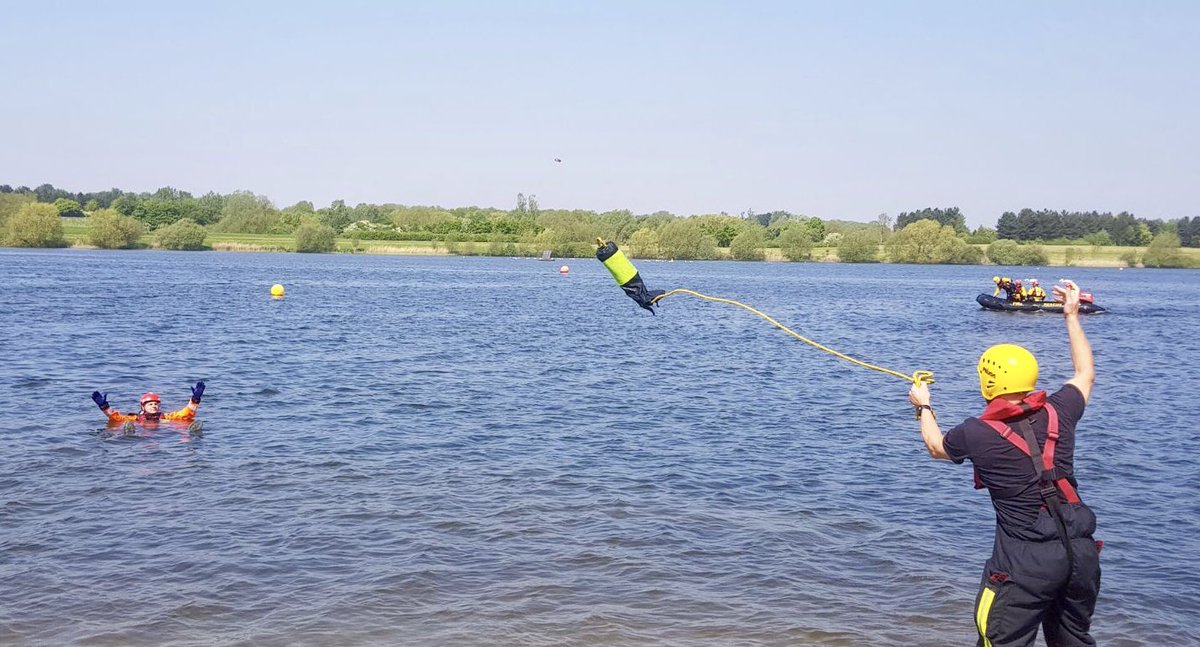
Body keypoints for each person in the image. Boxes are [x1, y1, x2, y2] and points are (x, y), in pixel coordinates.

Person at [907, 281, 1100, 646]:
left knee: (997, 640)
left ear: (988, 382)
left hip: (1024, 564)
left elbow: (935, 446)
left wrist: (923, 406)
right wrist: (1071, 316)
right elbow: (1085, 373)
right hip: (1081, 554)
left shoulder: (975, 433)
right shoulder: (1060, 409)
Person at [91, 381, 205, 426]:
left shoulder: (165, 416)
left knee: (180, 423)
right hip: (142, 430)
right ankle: (129, 431)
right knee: (122, 425)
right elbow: (116, 418)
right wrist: (104, 407)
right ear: (143, 406)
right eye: (150, 404)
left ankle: (190, 432)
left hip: (162, 430)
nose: (154, 406)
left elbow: (185, 413)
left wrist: (195, 399)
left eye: (156, 404)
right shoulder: (136, 417)